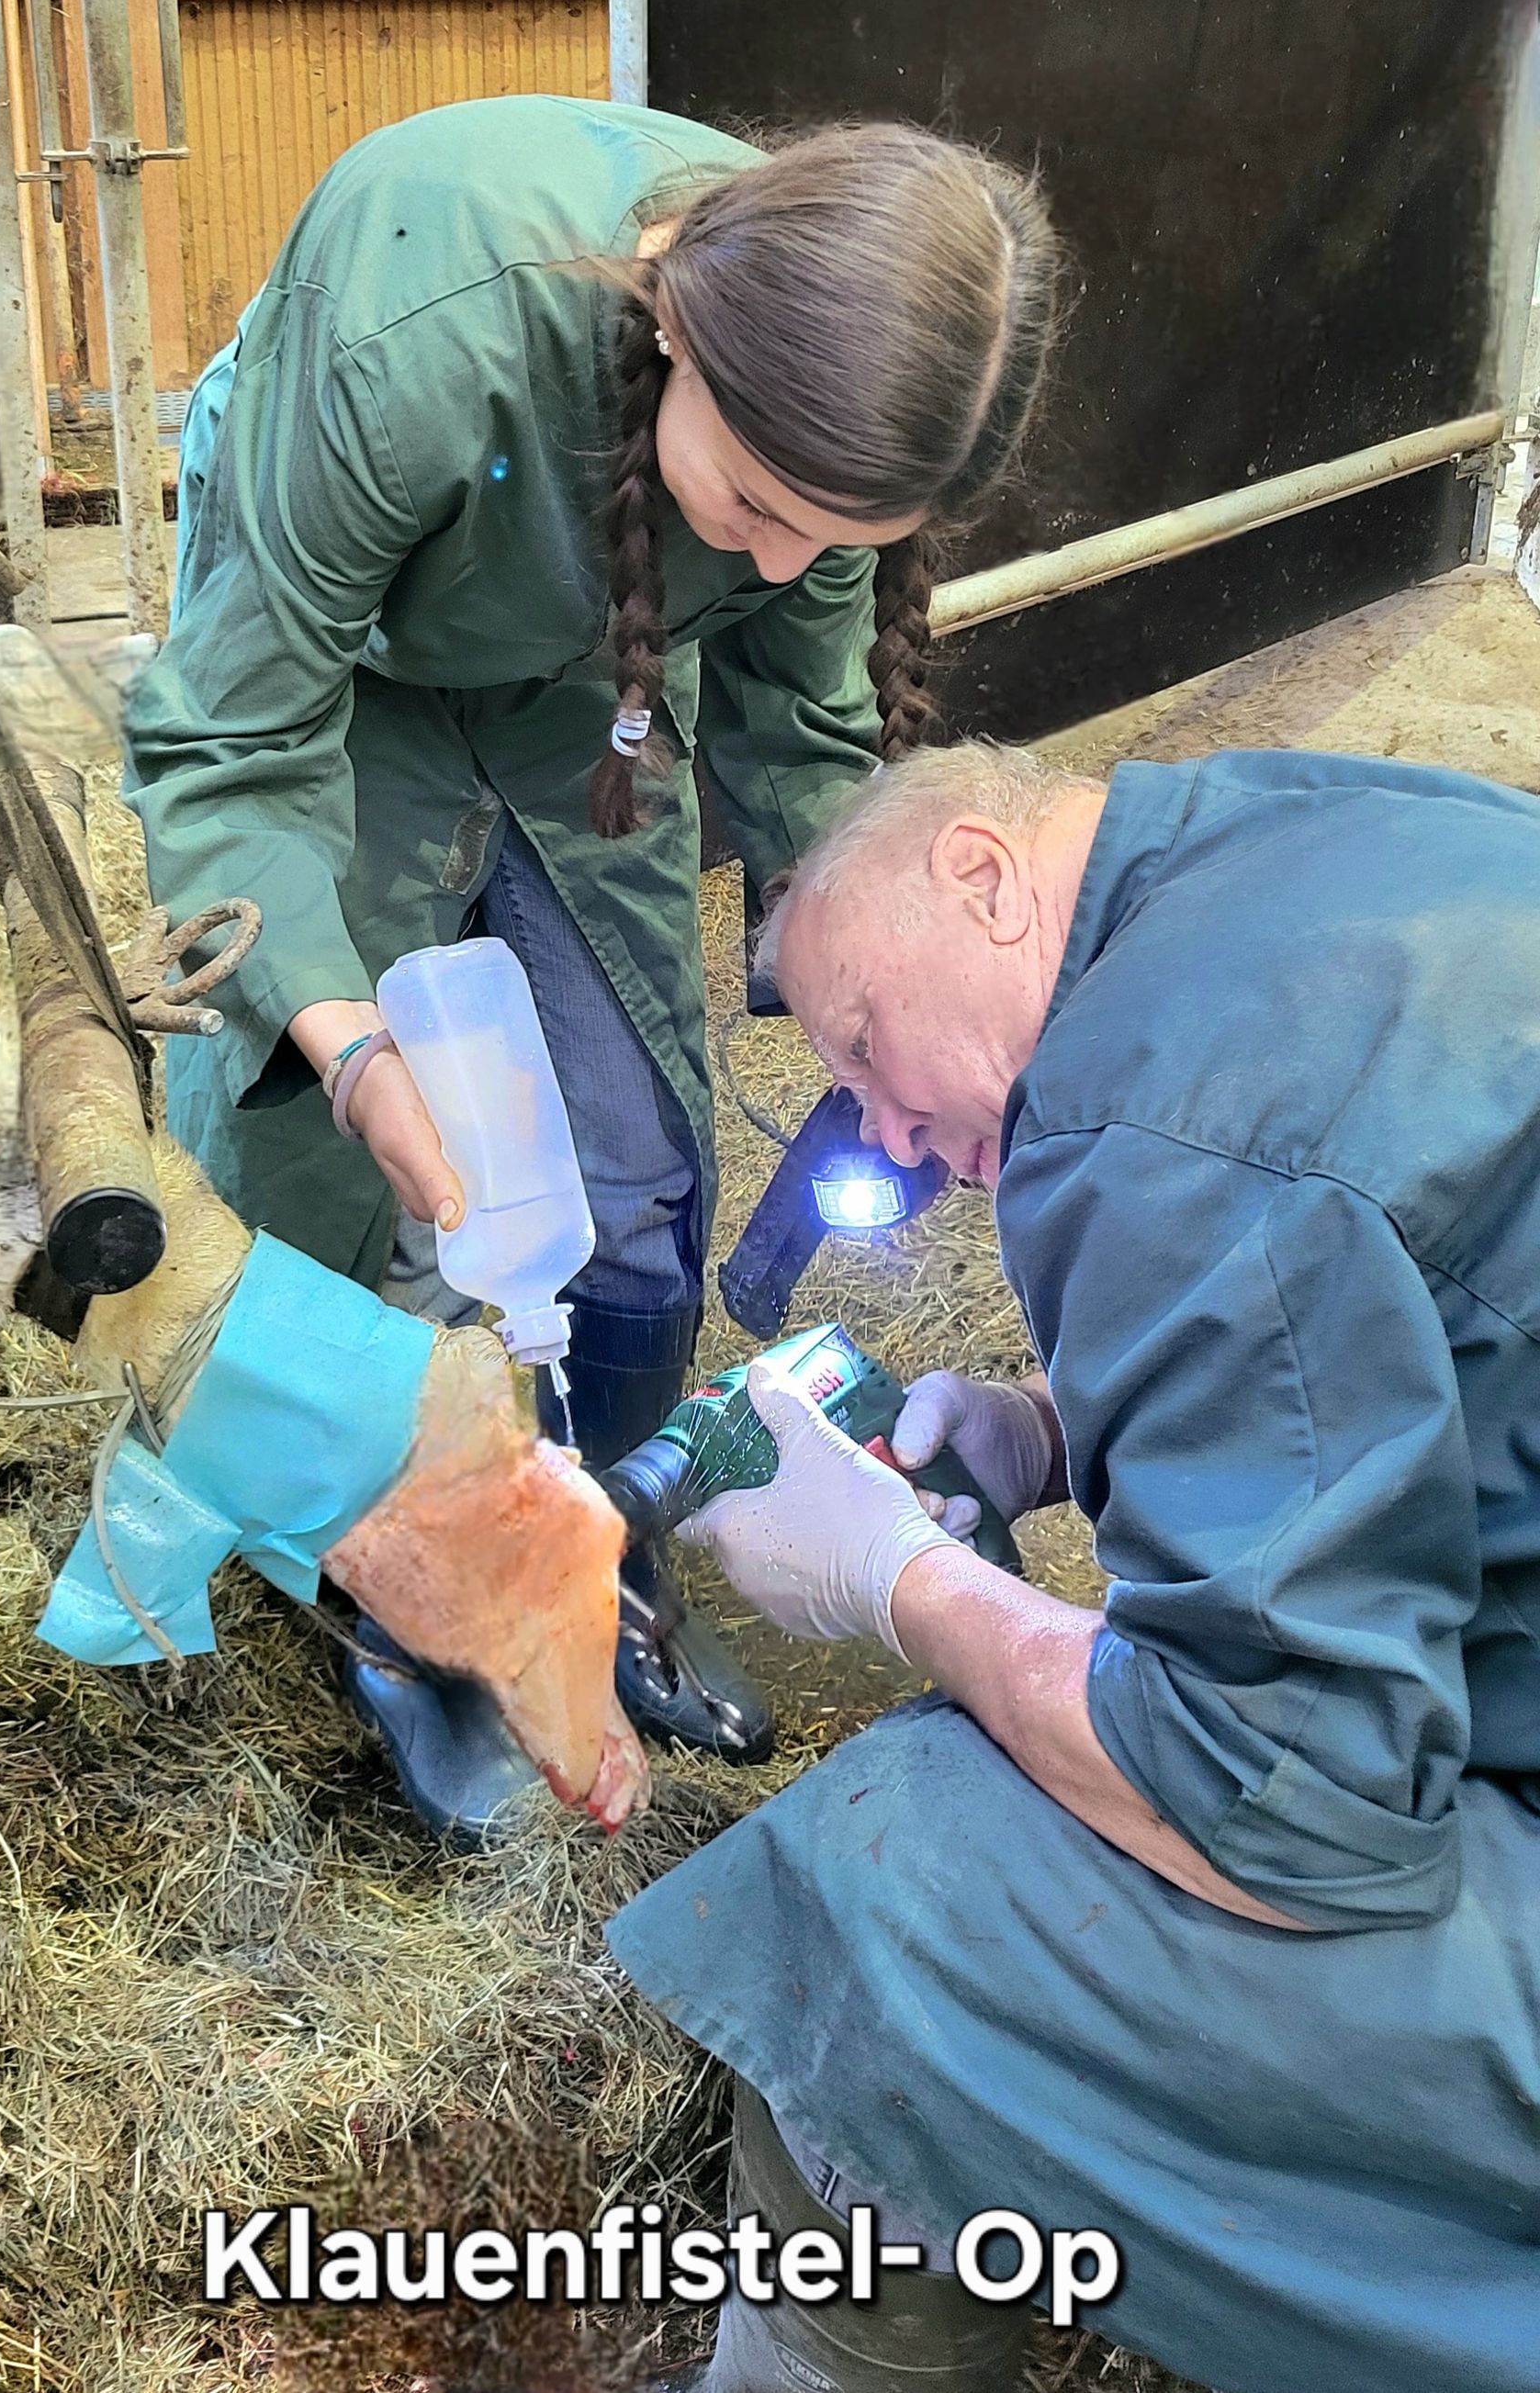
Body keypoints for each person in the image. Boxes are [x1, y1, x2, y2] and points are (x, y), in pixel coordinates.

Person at [125, 96, 1058, 1837]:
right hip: (348, 663)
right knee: (338, 1173)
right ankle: (400, 1610)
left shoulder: (821, 425)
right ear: (678, 330)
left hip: (597, 661)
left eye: (837, 541)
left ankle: (596, 1550)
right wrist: (351, 1052)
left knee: (636, 1168)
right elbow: (235, 743)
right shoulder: (419, 340)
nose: (784, 565)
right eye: (760, 505)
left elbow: (802, 734)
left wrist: (894, 1021)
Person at [609, 738, 1540, 2393]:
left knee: (904, 1871)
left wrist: (898, 1578)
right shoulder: (1322, 833)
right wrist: (1055, 1431)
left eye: (863, 1048)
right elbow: (1413, 1313)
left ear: (979, 876)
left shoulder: (1151, 1102)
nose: (889, 1132)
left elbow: (1278, 1806)